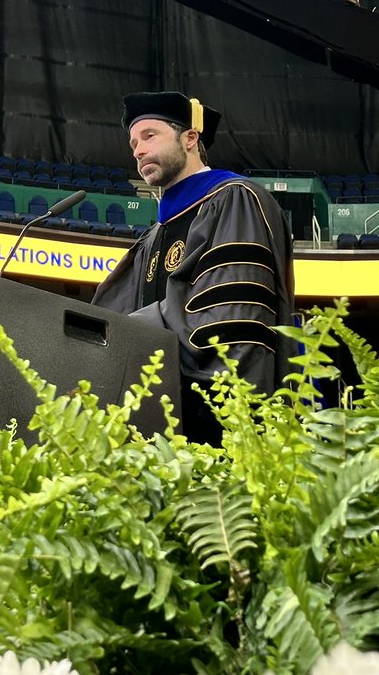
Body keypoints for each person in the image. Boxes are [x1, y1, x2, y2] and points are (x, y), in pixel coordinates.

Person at [92, 92, 295, 445]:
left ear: (190, 138)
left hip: (218, 423)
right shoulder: (152, 238)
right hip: (156, 425)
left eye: (150, 136)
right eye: (133, 142)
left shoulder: (234, 200)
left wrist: (139, 331)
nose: (138, 150)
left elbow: (233, 322)